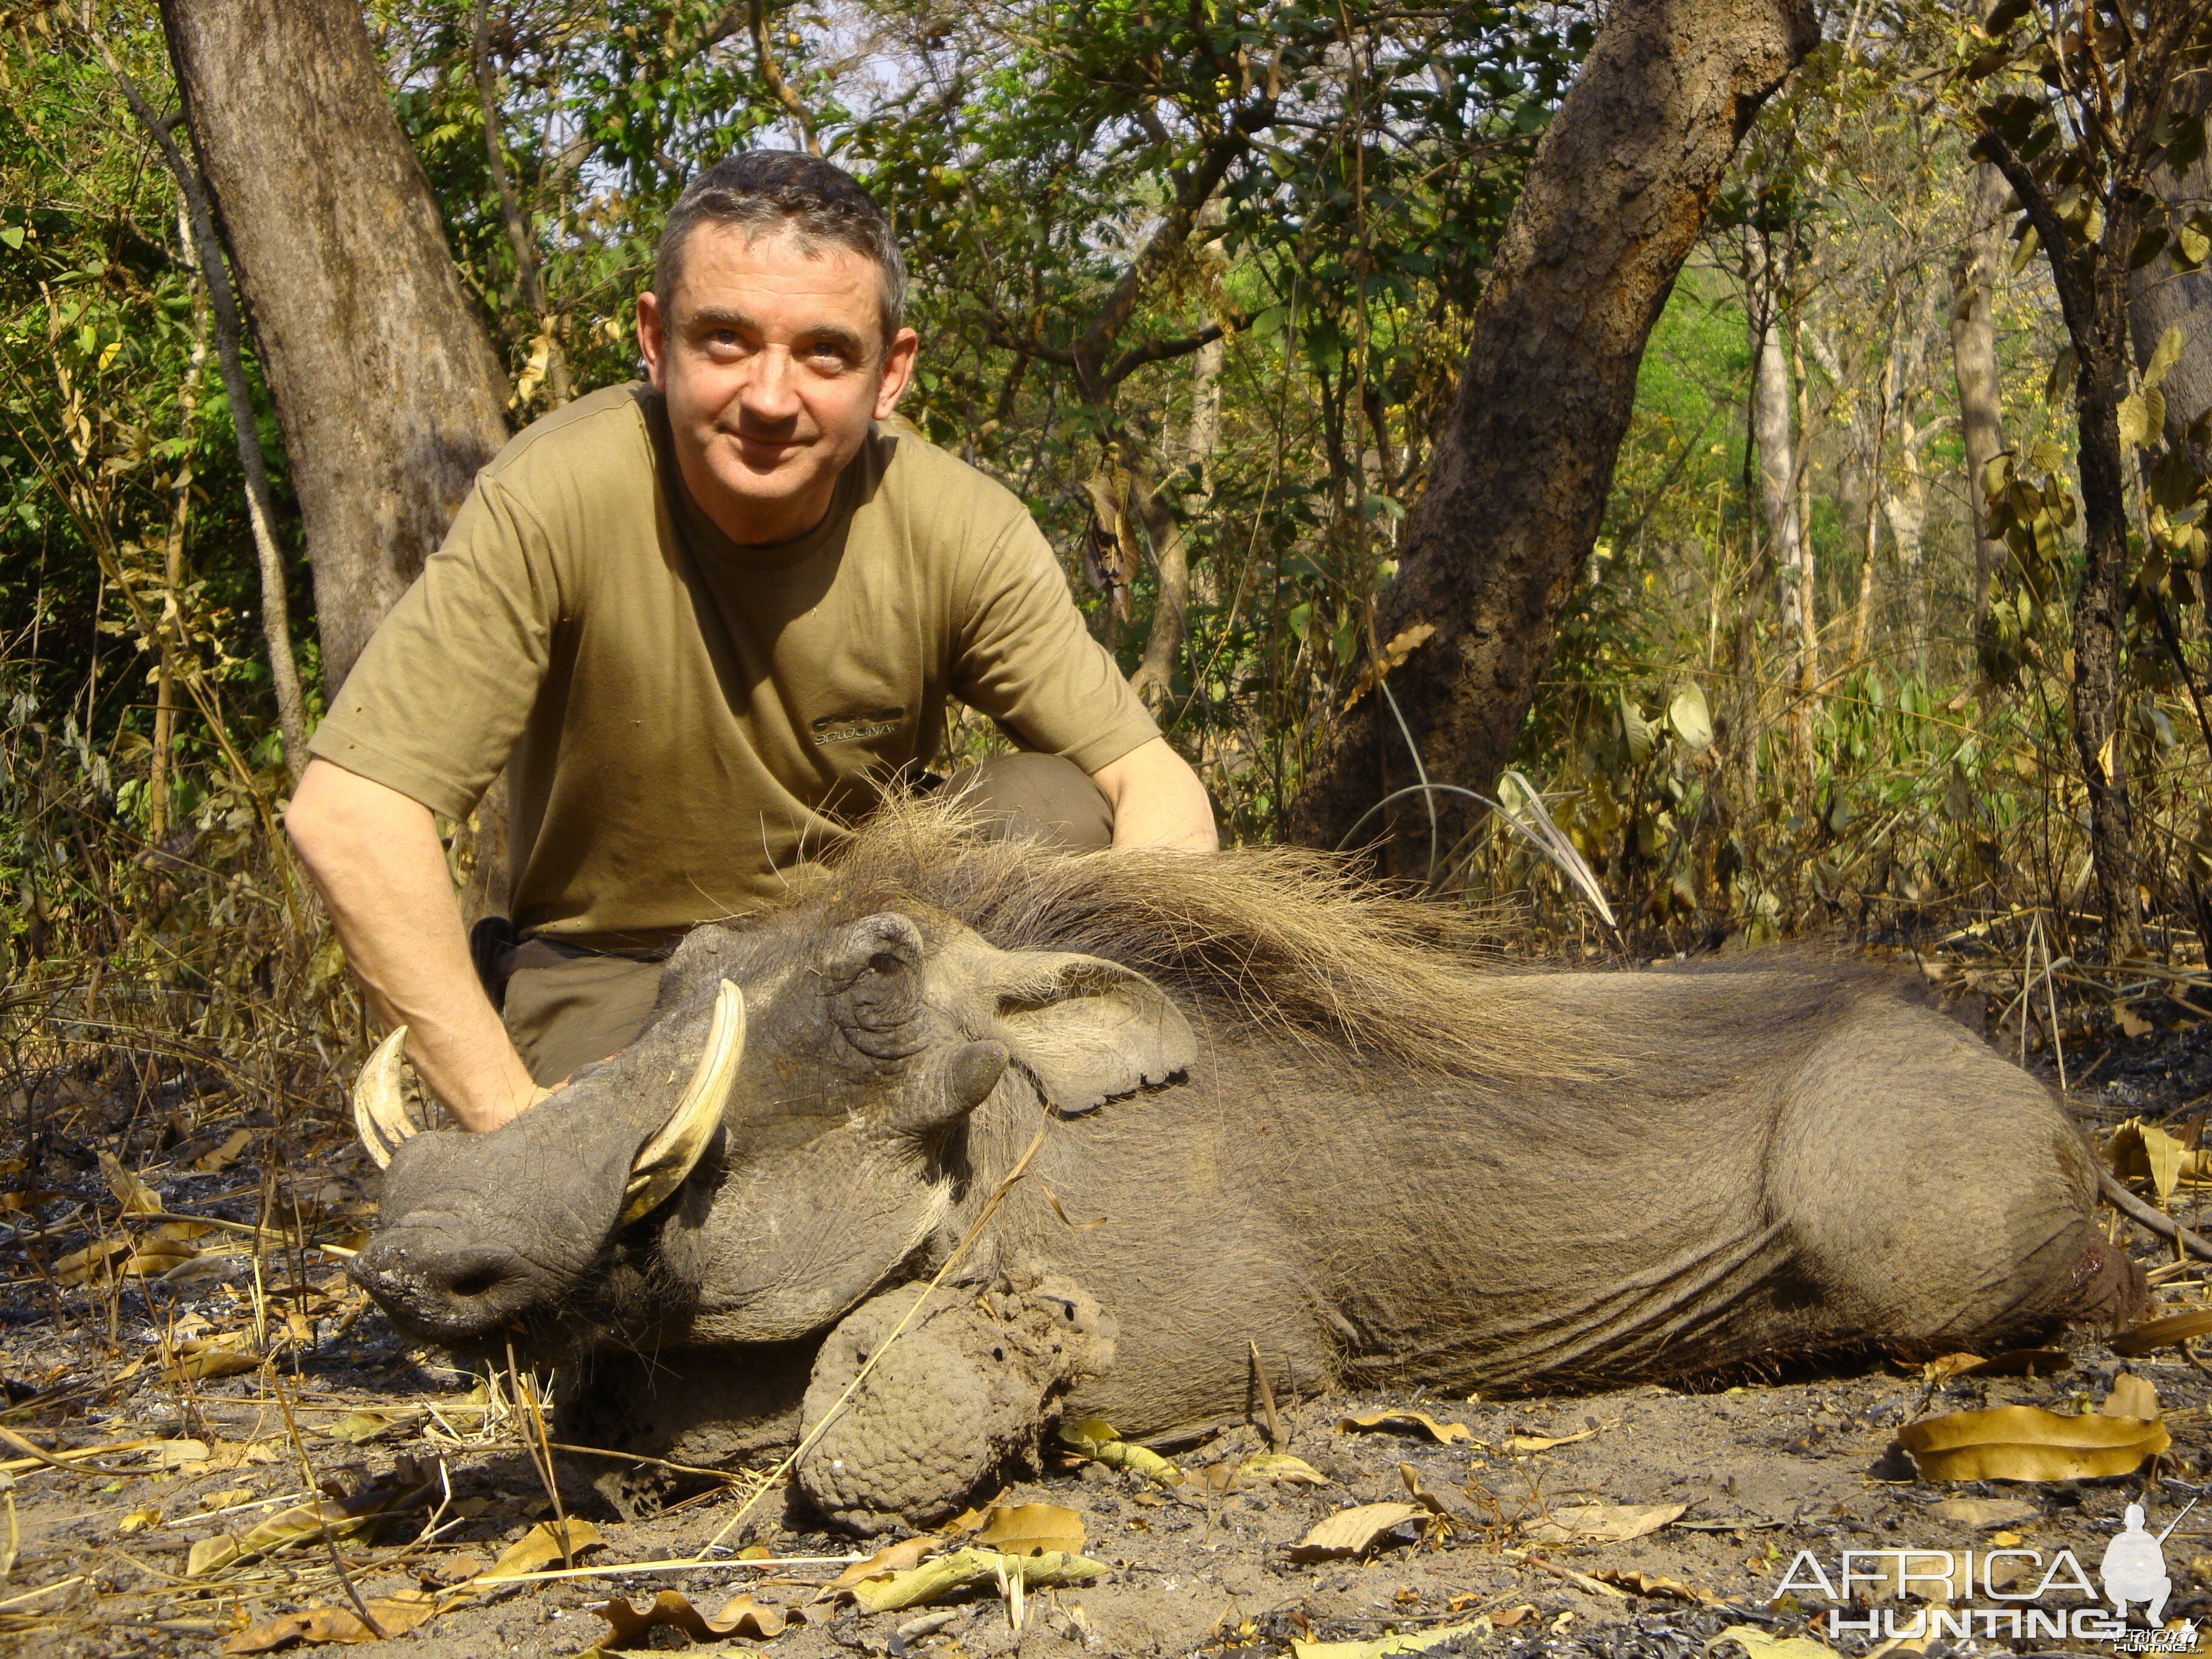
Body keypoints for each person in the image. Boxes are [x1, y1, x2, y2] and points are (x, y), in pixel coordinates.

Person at [285, 150, 1215, 1134]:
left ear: (889, 374)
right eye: (725, 341)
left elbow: (1156, 790)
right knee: (630, 1222)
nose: (772, 398)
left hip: (874, 941)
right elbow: (350, 816)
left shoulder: (958, 523)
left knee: (1066, 807)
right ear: (655, 340)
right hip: (621, 969)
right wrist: (508, 1117)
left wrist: (1109, 999)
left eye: (824, 353)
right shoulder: (555, 492)